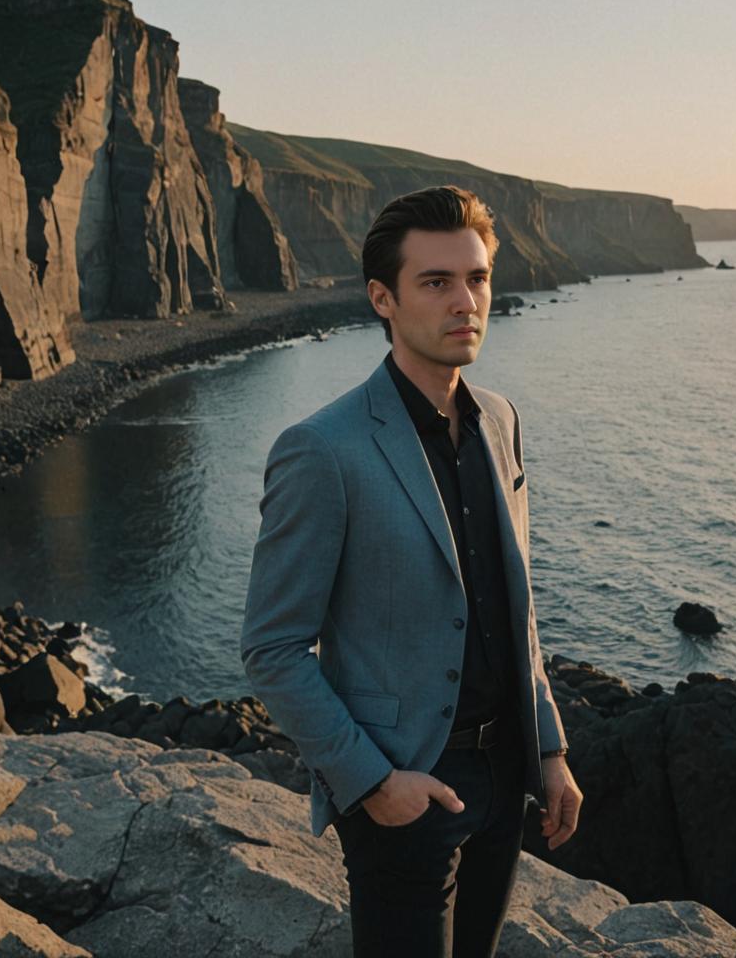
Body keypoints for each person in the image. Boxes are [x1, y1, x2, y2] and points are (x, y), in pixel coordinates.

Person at [240, 185, 583, 957]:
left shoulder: (500, 419)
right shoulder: (321, 450)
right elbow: (271, 647)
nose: (466, 301)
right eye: (436, 282)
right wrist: (369, 783)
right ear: (382, 299)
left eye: (478, 278)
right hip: (405, 788)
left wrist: (551, 750)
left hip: (506, 777)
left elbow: (514, 606)